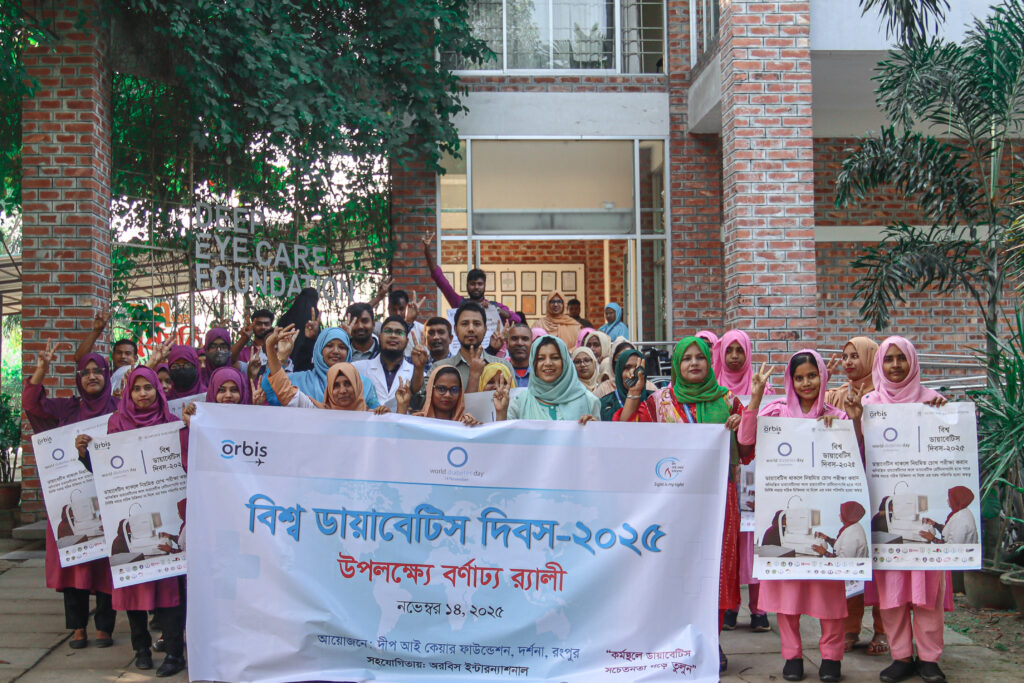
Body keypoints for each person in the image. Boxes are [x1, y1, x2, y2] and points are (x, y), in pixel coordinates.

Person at [615, 335, 744, 673]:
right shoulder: (659, 402)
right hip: (673, 502)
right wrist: (634, 393)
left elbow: (746, 450)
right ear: (676, 365)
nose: (693, 363)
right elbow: (628, 432)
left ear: (709, 362)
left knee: (714, 569)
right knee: (676, 569)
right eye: (686, 358)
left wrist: (742, 425)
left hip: (719, 500)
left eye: (699, 357)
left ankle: (711, 641)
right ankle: (677, 640)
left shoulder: (728, 401)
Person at [737, 350, 851, 683]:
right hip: (784, 513)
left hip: (823, 514)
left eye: (812, 376)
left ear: (822, 377)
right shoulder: (776, 412)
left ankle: (831, 657)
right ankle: (792, 655)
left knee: (828, 591)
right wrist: (755, 398)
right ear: (790, 380)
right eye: (799, 378)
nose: (805, 383)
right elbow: (745, 441)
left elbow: (851, 460)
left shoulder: (836, 417)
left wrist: (836, 431)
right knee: (787, 591)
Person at [852, 335, 951, 683]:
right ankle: (901, 656)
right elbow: (855, 455)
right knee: (892, 590)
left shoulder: (932, 401)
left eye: (901, 358)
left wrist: (945, 416)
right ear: (880, 364)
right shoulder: (869, 404)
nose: (895, 366)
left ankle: (929, 659)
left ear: (913, 362)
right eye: (888, 359)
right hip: (887, 515)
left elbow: (950, 449)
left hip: (924, 513)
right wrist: (855, 420)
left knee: (928, 590)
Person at [89, 367, 185, 676]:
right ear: (128, 393)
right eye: (137, 388)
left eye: (148, 387)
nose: (143, 393)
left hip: (165, 515)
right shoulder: (116, 424)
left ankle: (174, 653)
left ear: (158, 390)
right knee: (133, 582)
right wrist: (85, 454)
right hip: (128, 516)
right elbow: (105, 471)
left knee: (169, 585)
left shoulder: (171, 424)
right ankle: (140, 648)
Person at [23, 346, 117, 652]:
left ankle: (104, 626)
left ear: (107, 375)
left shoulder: (118, 408)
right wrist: (41, 367)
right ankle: (78, 627)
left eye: (97, 371)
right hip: (72, 497)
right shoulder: (67, 409)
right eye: (85, 372)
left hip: (109, 496)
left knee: (107, 563)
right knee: (76, 559)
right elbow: (31, 404)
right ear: (79, 379)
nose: (92, 377)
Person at [712, 329, 773, 633]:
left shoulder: (763, 387)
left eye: (740, 350)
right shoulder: (715, 390)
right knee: (731, 546)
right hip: (728, 481)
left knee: (757, 544)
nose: (735, 356)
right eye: (729, 350)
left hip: (757, 476)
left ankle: (760, 609)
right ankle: (730, 607)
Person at [421, 230, 521, 350]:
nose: (476, 287)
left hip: (490, 353)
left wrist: (496, 310)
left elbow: (517, 320)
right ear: (467, 285)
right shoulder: (460, 303)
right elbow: (440, 279)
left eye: (479, 284)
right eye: (472, 284)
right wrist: (427, 250)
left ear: (485, 285)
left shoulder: (494, 306)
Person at [262, 328, 386, 413]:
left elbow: (376, 418)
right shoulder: (300, 382)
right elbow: (274, 391)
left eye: (342, 347)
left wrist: (384, 413)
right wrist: (281, 356)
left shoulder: (363, 383)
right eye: (329, 346)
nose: (336, 351)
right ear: (319, 350)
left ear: (349, 352)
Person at [494, 335, 599, 423]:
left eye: (555, 357)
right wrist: (501, 413)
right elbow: (504, 439)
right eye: (540, 359)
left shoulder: (589, 401)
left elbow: (597, 440)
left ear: (565, 362)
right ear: (534, 364)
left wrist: (594, 428)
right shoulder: (521, 401)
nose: (548, 363)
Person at [433, 302, 512, 393]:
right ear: (455, 329)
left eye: (477, 324)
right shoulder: (439, 368)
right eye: (464, 324)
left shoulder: (504, 366)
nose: (471, 329)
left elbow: (515, 400)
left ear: (485, 329)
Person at [352, 315, 426, 406]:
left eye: (399, 333)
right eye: (388, 331)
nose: (393, 335)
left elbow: (418, 402)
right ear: (380, 337)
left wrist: (419, 368)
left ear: (407, 341)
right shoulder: (357, 368)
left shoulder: (417, 373)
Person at [397, 365, 480, 425]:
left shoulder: (466, 422)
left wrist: (473, 429)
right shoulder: (416, 422)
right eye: (441, 389)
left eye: (454, 390)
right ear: (431, 390)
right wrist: (401, 407)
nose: (447, 395)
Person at [825, 336, 879, 410]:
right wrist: (821, 381)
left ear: (870, 358)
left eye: (854, 356)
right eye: (844, 357)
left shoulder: (887, 395)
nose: (847, 362)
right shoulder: (836, 396)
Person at [598, 348, 650, 421]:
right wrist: (633, 391)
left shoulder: (655, 400)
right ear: (619, 372)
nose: (633, 372)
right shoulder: (605, 403)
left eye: (637, 368)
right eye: (627, 368)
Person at [507, 322, 533, 388]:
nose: (520, 343)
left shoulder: (541, 373)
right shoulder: (499, 372)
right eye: (514, 338)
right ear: (507, 343)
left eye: (525, 339)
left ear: (532, 343)